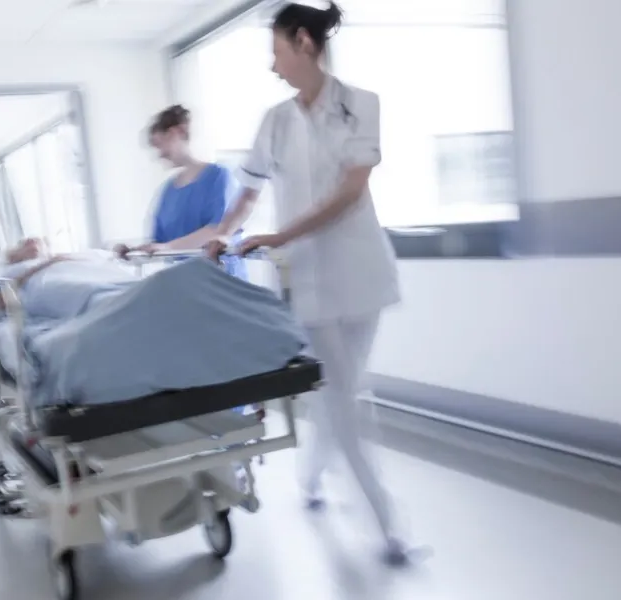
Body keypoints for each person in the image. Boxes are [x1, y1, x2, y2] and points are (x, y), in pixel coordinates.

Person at [202, 2, 411, 565]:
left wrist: (277, 236)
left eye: (277, 52)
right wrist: (226, 232)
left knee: (341, 392)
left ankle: (313, 478)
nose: (273, 66)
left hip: (362, 270)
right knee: (346, 397)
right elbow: (247, 190)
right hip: (312, 284)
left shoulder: (360, 105)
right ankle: (389, 527)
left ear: (304, 43)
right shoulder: (274, 120)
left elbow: (348, 195)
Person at [114, 105, 245, 279]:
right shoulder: (168, 190)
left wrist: (168, 248)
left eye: (159, 145)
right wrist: (134, 251)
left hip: (221, 279)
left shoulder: (218, 177)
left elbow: (218, 230)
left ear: (176, 133)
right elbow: (160, 243)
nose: (159, 155)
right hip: (185, 283)